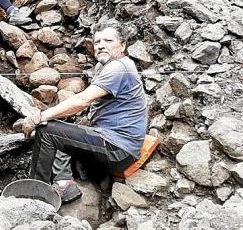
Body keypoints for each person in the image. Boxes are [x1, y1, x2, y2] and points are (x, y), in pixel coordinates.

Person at [16, 21, 148, 203]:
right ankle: (64, 182)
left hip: (119, 149)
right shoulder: (106, 66)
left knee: (47, 131)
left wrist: (40, 116)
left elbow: (82, 100)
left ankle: (36, 195)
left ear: (123, 45)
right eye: (97, 42)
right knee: (65, 127)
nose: (101, 45)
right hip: (114, 141)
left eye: (108, 41)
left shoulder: (119, 67)